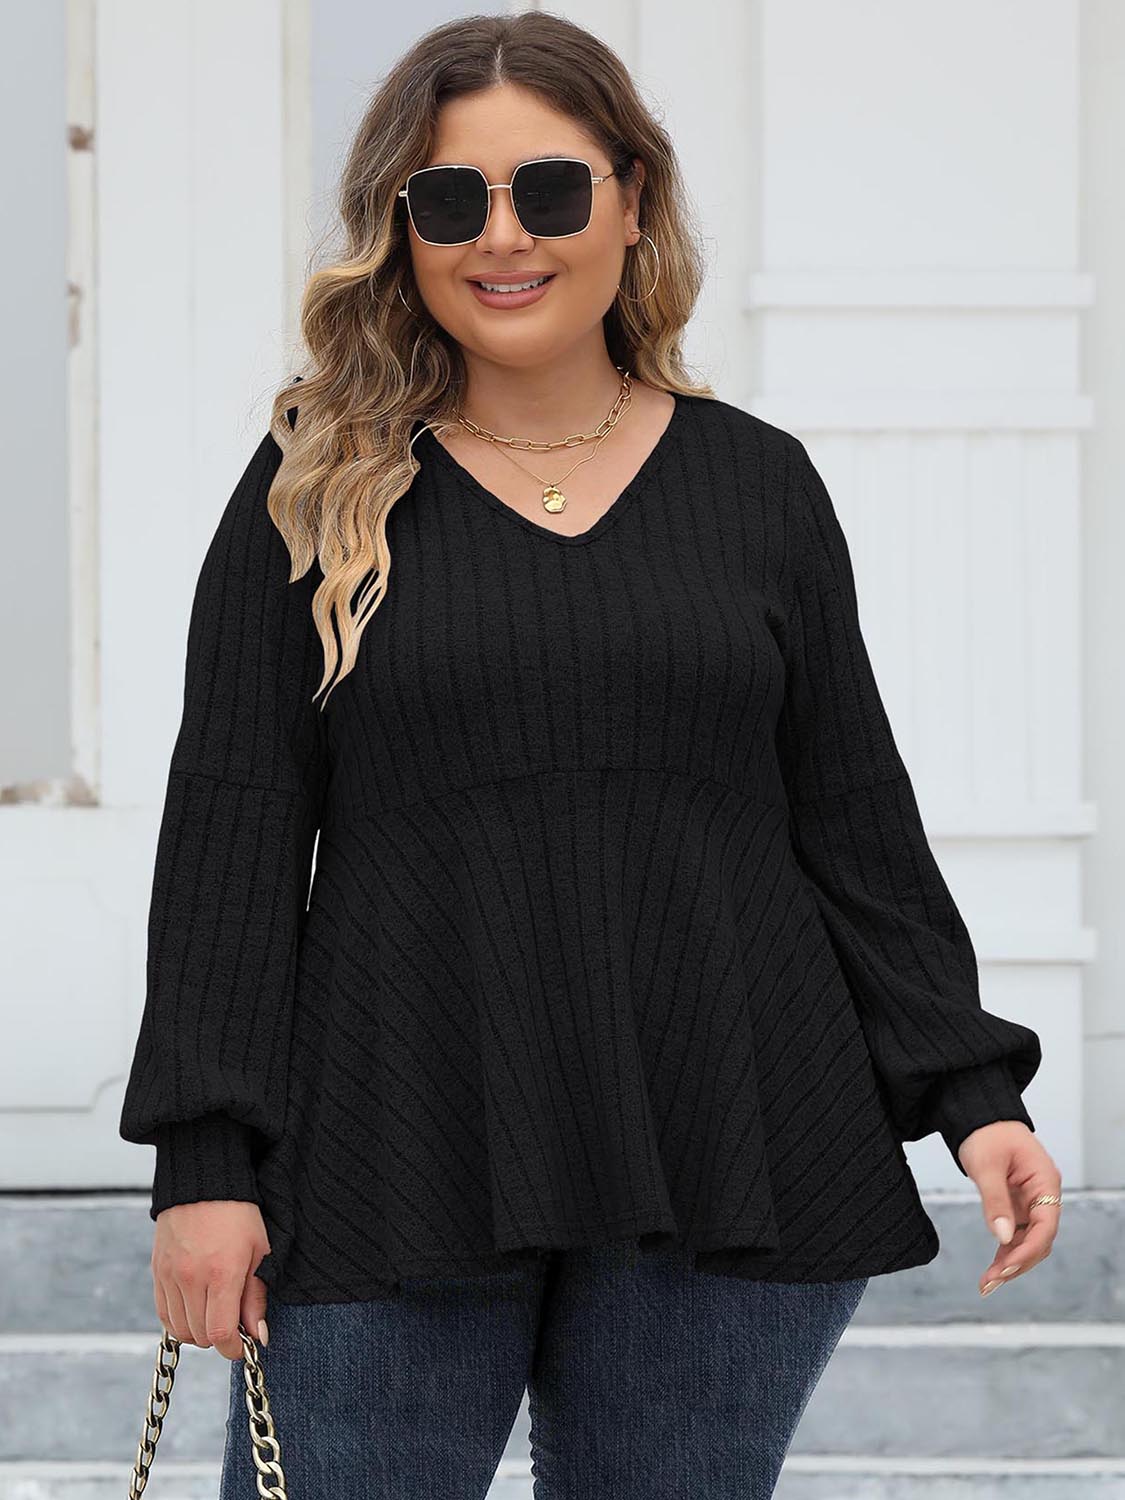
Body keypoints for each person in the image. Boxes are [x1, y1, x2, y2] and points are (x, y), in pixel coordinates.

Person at [118, 12, 1062, 1498]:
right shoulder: (317, 483)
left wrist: (972, 1091)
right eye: (450, 200)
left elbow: (850, 820)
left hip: (729, 1123)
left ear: (633, 202)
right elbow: (230, 837)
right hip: (394, 1126)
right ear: (402, 231)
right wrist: (205, 1167)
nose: (502, 236)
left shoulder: (757, 485)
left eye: (550, 190)